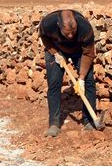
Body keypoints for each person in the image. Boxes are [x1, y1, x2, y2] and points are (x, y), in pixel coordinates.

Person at [39, 9, 98, 137]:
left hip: (79, 51)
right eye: (67, 33)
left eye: (73, 32)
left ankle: (89, 120)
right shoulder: (48, 23)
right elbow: (44, 38)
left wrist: (81, 78)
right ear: (59, 26)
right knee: (54, 84)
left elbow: (88, 53)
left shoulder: (85, 28)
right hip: (56, 49)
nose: (71, 36)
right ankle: (54, 124)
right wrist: (55, 53)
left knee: (88, 82)